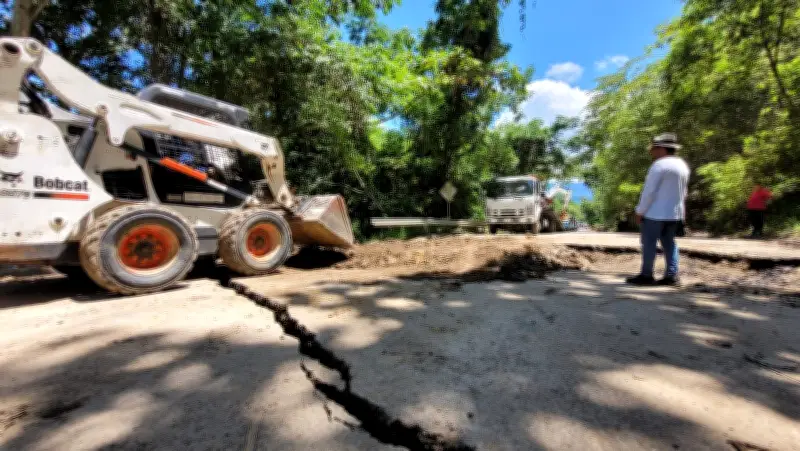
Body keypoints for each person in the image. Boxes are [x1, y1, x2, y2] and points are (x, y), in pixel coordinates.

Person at [626, 133, 690, 286]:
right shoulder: (682, 166)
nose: (651, 152)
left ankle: (646, 274)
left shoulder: (659, 165)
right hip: (674, 213)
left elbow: (649, 192)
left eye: (653, 148)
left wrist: (640, 211)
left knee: (649, 243)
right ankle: (671, 275)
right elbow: (684, 192)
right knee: (670, 244)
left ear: (661, 149)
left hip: (655, 213)